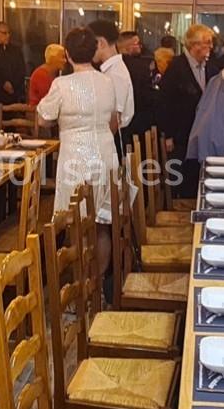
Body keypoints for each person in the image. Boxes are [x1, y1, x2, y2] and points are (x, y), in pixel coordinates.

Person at [36, 27, 119, 274]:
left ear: (68, 54)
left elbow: (43, 119)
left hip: (75, 155)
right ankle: (98, 288)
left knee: (73, 222)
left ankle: (78, 292)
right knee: (102, 224)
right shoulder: (107, 81)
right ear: (94, 52)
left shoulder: (62, 84)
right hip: (105, 150)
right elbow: (114, 119)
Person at [158, 24, 219, 196]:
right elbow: (164, 101)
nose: (211, 47)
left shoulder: (211, 67)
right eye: (207, 43)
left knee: (199, 175)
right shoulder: (176, 67)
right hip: (181, 132)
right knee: (181, 176)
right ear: (194, 45)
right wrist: (168, 134)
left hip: (203, 133)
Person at [88, 19, 134, 148]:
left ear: (101, 43)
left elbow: (114, 118)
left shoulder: (115, 73)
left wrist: (99, 146)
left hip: (114, 139)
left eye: (91, 44)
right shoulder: (111, 69)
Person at [121, 32, 157, 143]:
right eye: (137, 43)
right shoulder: (141, 67)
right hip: (139, 119)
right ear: (127, 46)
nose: (140, 46)